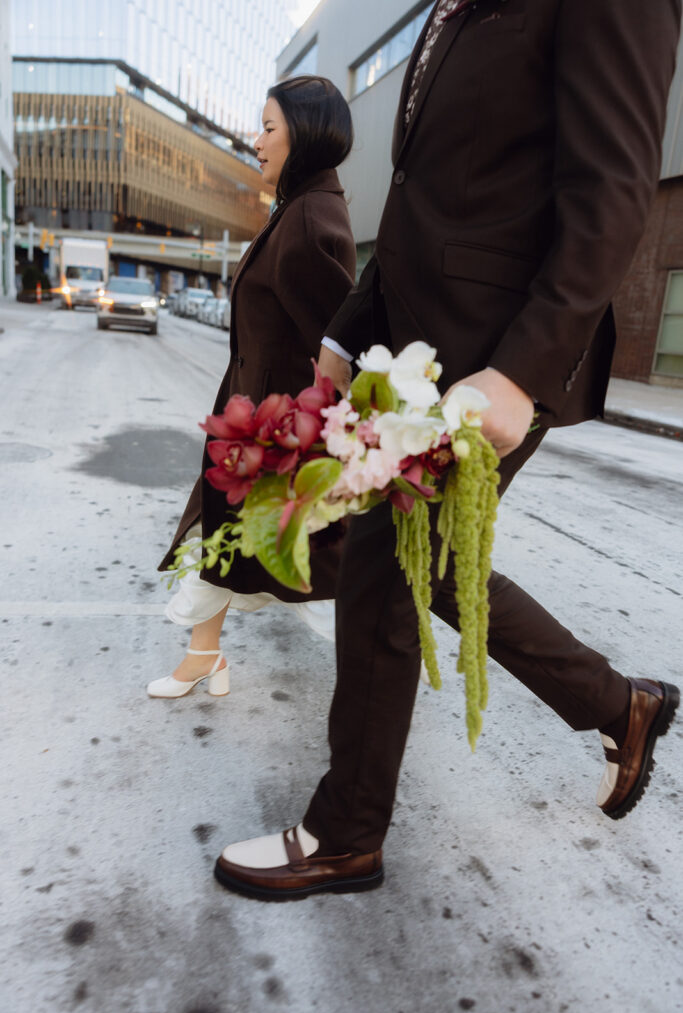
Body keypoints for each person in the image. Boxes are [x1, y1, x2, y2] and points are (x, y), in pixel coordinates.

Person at [212, 0, 682, 900]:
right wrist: (349, 334)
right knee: (417, 569)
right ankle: (619, 705)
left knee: (383, 574)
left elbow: (614, 188)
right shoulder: (448, 14)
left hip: (491, 361)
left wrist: (522, 369)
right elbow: (429, 201)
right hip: (412, 353)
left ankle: (347, 833)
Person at [148, 76, 355, 699]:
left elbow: (339, 349)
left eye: (268, 127)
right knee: (215, 535)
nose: (255, 140)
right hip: (249, 421)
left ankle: (384, 678)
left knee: (322, 567)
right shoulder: (294, 207)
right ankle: (203, 655)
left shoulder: (314, 218)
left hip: (279, 433)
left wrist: (313, 443)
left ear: (306, 132)